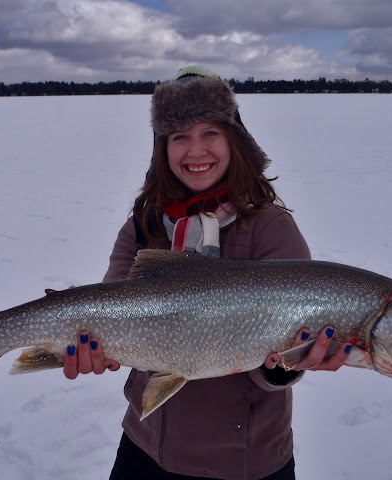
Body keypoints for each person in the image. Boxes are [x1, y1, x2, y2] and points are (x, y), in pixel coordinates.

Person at [63, 66, 351, 480]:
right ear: (163, 149)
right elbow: (115, 314)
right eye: (180, 136)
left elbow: (281, 360)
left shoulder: (271, 228)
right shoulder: (143, 225)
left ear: (235, 140)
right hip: (144, 448)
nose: (196, 151)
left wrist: (286, 363)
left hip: (245, 464)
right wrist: (93, 344)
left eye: (210, 133)